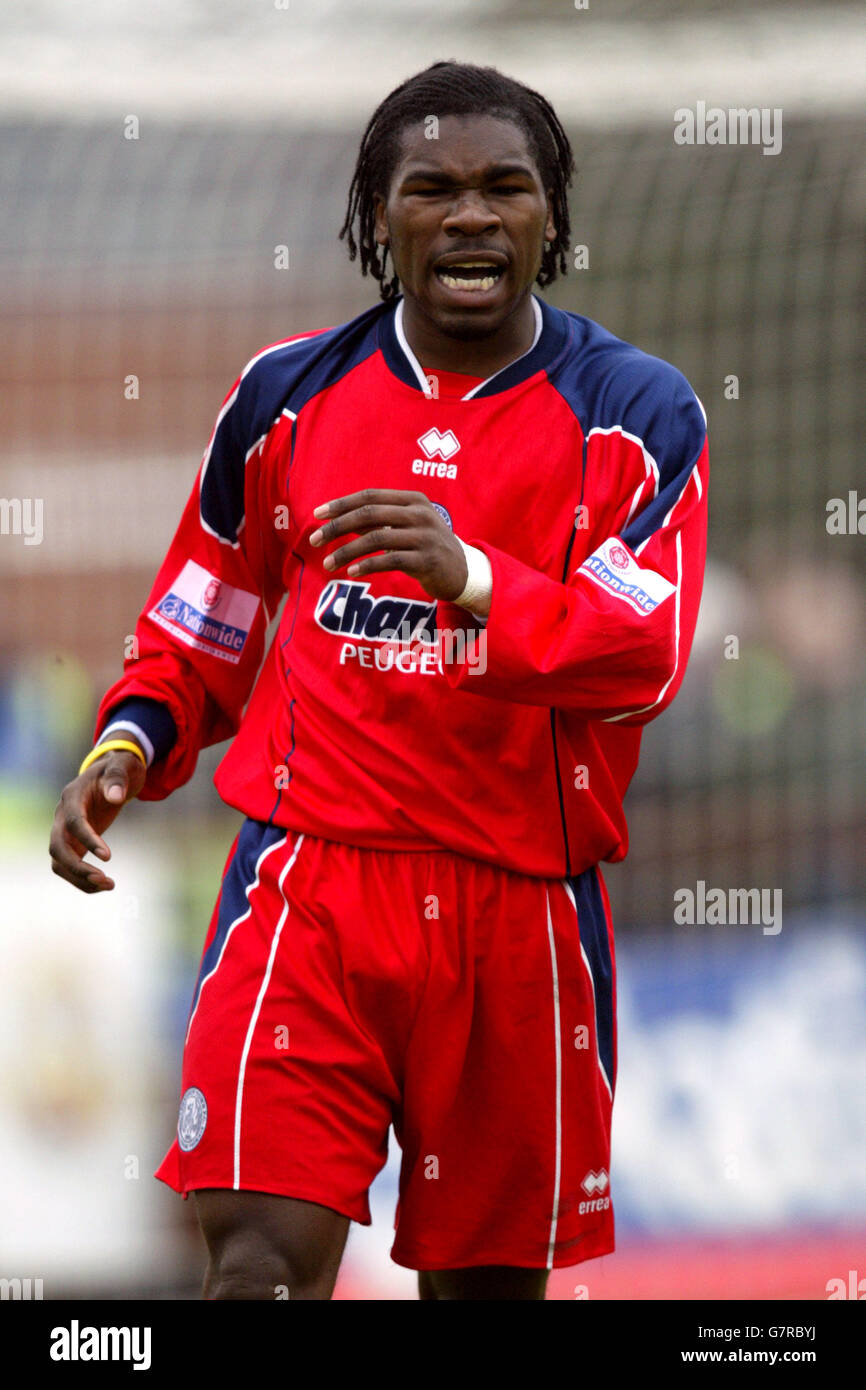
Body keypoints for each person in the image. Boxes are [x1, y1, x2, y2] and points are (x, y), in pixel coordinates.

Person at [49, 61, 709, 1301]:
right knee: (254, 1263)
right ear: (378, 216)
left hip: (517, 916)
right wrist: (125, 747)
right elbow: (202, 618)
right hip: (308, 891)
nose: (470, 214)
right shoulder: (282, 394)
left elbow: (646, 652)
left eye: (505, 186)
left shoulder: (634, 413)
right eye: (432, 189)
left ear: (549, 216)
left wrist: (467, 574)